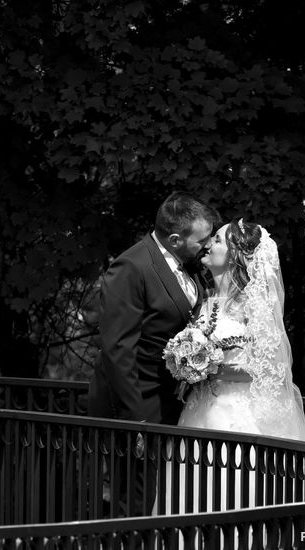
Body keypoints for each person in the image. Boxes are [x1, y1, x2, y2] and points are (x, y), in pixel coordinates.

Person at [158, 218, 305, 517]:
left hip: (239, 416)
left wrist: (211, 367)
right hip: (197, 412)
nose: (208, 245)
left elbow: (270, 366)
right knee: (192, 497)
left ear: (235, 253)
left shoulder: (251, 304)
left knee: (234, 496)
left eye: (216, 240)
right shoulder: (203, 302)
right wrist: (183, 362)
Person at [88, 191, 220, 517]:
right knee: (136, 497)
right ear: (175, 239)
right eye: (202, 239)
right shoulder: (131, 267)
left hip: (168, 399)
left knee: (159, 493)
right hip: (134, 403)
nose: (207, 245)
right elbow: (118, 349)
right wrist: (138, 418)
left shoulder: (191, 266)